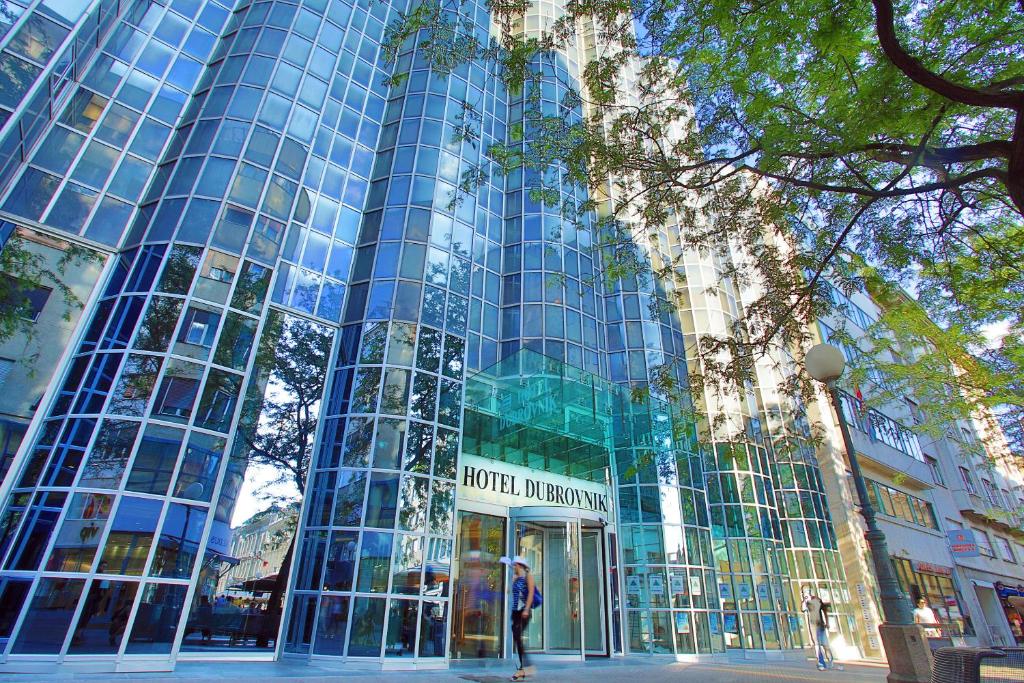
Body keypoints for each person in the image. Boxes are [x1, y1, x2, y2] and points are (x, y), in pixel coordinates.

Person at [501, 555, 536, 681]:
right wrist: (512, 581)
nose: (514, 566)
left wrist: (526, 609)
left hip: (524, 612)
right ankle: (525, 669)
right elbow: (508, 592)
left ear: (520, 565)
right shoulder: (516, 577)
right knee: (517, 638)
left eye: (515, 565)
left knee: (518, 637)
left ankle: (524, 669)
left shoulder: (528, 576)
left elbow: (531, 593)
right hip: (516, 612)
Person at [802, 589, 837, 671]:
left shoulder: (817, 600)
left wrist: (827, 622)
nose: (805, 593)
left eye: (806, 592)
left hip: (820, 625)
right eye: (803, 592)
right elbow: (803, 609)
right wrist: (804, 600)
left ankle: (830, 659)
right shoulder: (806, 602)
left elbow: (824, 611)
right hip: (813, 625)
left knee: (825, 644)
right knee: (817, 644)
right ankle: (821, 662)